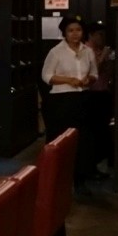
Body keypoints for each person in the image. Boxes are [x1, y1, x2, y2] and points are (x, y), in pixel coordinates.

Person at [41, 15, 97, 191]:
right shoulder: (56, 51)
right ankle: (56, 180)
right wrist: (69, 80)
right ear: (64, 33)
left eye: (78, 30)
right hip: (61, 100)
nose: (75, 34)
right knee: (60, 141)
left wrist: (88, 80)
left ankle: (80, 180)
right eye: (70, 30)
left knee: (82, 140)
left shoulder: (88, 51)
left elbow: (94, 74)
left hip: (82, 98)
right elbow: (46, 76)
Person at [85, 20, 116, 175]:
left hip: (104, 93)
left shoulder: (100, 50)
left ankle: (103, 161)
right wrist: (103, 57)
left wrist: (109, 61)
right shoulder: (86, 51)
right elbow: (92, 73)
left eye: (103, 35)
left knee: (104, 128)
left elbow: (108, 74)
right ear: (91, 35)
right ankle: (93, 164)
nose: (102, 38)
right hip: (92, 94)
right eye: (100, 35)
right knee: (95, 131)